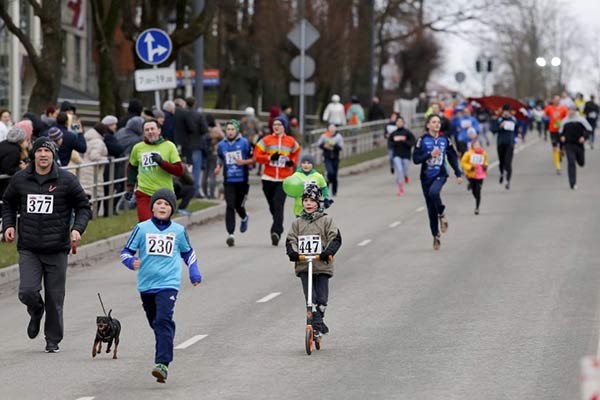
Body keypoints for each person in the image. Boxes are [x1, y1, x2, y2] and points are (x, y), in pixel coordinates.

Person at [2, 137, 92, 353]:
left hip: (57, 248)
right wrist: (8, 225)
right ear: (34, 154)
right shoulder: (21, 179)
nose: (43, 155)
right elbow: (8, 203)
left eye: (47, 151)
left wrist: (77, 229)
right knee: (27, 292)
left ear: (53, 155)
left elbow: (84, 207)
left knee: (55, 297)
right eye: (39, 150)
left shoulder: (66, 180)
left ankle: (52, 339)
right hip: (29, 246)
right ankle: (36, 311)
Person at [120, 189, 201, 383]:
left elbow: (188, 253)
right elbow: (125, 252)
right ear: (152, 207)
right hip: (146, 285)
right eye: (158, 203)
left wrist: (194, 271)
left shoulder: (178, 231)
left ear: (172, 208)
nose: (162, 207)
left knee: (163, 319)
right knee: (156, 323)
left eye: (166, 204)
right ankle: (166, 337)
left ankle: (162, 364)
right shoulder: (142, 228)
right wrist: (131, 262)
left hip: (169, 283)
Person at [286, 184, 342, 337]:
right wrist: (293, 253)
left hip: (322, 265)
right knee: (311, 297)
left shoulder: (326, 220)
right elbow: (291, 240)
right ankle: (315, 325)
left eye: (311, 200)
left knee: (322, 299)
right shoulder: (297, 223)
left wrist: (328, 252)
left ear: (318, 202)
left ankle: (318, 321)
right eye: (305, 201)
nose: (308, 204)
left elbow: (335, 238)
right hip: (305, 265)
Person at [412, 114, 463, 250]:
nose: (437, 124)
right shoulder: (422, 140)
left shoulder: (445, 139)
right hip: (426, 177)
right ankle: (435, 235)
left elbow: (452, 157)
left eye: (438, 122)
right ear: (428, 125)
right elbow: (416, 159)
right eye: (434, 122)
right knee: (430, 209)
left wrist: (458, 173)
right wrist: (430, 155)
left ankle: (442, 214)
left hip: (441, 174)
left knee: (434, 193)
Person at [253, 115, 301, 246]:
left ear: (284, 126)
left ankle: (276, 231)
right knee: (272, 206)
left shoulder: (291, 141)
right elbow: (257, 155)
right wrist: (269, 158)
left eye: (279, 124)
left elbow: (296, 152)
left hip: (284, 179)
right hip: (268, 178)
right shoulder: (266, 140)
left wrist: (292, 162)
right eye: (275, 125)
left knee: (278, 204)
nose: (276, 127)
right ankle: (277, 222)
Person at [126, 119, 185, 221]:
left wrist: (162, 163)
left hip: (164, 194)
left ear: (159, 130)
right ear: (144, 133)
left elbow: (179, 171)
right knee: (147, 225)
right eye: (147, 130)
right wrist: (130, 187)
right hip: (144, 193)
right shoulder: (138, 148)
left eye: (152, 129)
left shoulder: (169, 146)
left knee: (161, 227)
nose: (150, 132)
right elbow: (132, 167)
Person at [215, 120, 254, 247]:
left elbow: (253, 158)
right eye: (228, 129)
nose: (230, 132)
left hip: (242, 180)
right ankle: (230, 234)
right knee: (230, 205)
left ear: (237, 130)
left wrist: (244, 162)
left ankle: (244, 217)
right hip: (229, 180)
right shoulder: (222, 145)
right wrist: (218, 166)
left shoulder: (244, 143)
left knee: (239, 205)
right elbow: (220, 157)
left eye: (232, 129)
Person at [559, 105, 592, 190]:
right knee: (571, 163)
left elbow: (589, 130)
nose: (571, 112)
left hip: (579, 145)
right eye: (569, 110)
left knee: (581, 163)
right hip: (569, 145)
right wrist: (562, 138)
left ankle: (578, 159)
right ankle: (573, 183)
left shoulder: (581, 120)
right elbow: (560, 133)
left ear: (575, 111)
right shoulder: (564, 121)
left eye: (572, 110)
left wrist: (584, 137)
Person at [493, 104, 518, 190]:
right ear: (503, 112)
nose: (506, 113)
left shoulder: (513, 120)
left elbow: (517, 129)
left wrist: (518, 136)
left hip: (510, 144)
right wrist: (500, 127)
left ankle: (508, 181)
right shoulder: (499, 120)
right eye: (505, 111)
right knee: (501, 162)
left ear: (510, 112)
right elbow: (493, 130)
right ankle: (501, 173)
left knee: (508, 163)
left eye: (508, 111)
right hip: (500, 143)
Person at [461, 139, 488, 215]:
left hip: (480, 175)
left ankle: (477, 208)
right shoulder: (468, 154)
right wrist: (470, 167)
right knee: (474, 191)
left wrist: (485, 166)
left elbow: (485, 161)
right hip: (471, 175)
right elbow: (463, 163)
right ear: (472, 146)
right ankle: (471, 186)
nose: (477, 146)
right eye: (475, 145)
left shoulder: (483, 153)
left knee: (478, 191)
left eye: (478, 145)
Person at [0, 127, 29, 197]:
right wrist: (21, 168)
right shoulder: (14, 151)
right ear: (21, 141)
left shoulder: (4, 143)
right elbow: (8, 169)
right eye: (25, 139)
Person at [317, 124, 344, 196]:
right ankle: (326, 186)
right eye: (330, 129)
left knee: (334, 175)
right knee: (330, 172)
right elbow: (319, 144)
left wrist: (334, 145)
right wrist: (324, 146)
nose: (332, 130)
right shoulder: (324, 136)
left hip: (335, 157)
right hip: (327, 157)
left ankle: (334, 191)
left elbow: (341, 147)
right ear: (328, 129)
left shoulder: (338, 137)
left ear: (335, 129)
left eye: (333, 128)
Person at [544, 95, 568, 174]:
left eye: (558, 100)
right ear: (553, 100)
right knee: (555, 147)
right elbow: (544, 114)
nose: (557, 101)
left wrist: (562, 122)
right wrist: (545, 118)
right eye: (555, 100)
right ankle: (558, 167)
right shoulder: (549, 108)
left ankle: (561, 152)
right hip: (553, 131)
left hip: (561, 131)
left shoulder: (563, 108)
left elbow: (567, 118)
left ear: (560, 100)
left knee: (562, 148)